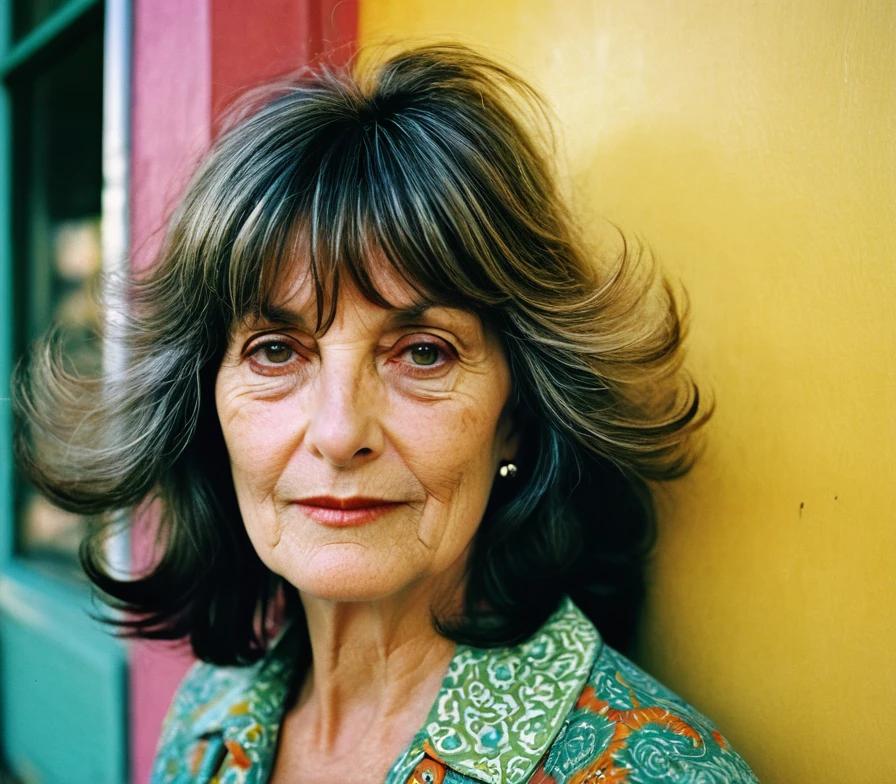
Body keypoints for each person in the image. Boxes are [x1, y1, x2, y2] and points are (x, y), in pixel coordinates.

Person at [14, 43, 758, 783]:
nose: (340, 434)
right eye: (276, 352)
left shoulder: (658, 772)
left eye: (423, 353)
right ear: (206, 407)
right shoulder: (213, 718)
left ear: (518, 414)